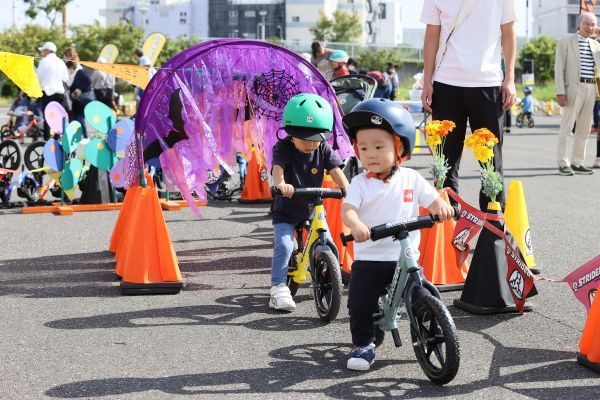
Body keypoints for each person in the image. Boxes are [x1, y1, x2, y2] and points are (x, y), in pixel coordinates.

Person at [341, 98, 454, 371]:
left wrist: (442, 207)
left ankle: (429, 329)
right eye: (364, 147)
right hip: (371, 258)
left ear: (400, 147)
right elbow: (348, 209)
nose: (371, 154)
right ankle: (363, 344)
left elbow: (433, 199)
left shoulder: (411, 178)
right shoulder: (359, 183)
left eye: (379, 147)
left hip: (405, 257)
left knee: (424, 293)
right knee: (360, 301)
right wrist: (356, 225)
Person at [420, 0, 516, 210]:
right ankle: (448, 225)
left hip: (488, 83)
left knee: (491, 163)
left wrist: (510, 78)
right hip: (446, 83)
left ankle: (493, 228)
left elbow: (508, 32)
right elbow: (431, 35)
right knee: (445, 162)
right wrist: (427, 80)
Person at [269, 93, 350, 311]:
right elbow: (277, 169)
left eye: (316, 139)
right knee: (285, 245)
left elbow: (335, 170)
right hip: (286, 209)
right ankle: (277, 288)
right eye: (304, 139)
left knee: (329, 242)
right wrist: (281, 184)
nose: (311, 144)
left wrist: (347, 189)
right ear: (290, 133)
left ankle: (326, 272)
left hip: (312, 207)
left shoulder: (323, 148)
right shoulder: (283, 147)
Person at [555, 12, 600, 175]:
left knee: (584, 128)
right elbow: (559, 68)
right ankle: (563, 162)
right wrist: (560, 91)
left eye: (593, 24)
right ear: (579, 24)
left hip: (591, 89)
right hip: (573, 88)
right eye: (587, 23)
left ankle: (577, 162)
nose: (590, 27)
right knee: (567, 127)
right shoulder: (566, 42)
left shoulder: (596, 45)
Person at [36, 41, 69, 141]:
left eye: (43, 51)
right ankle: (57, 138)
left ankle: (46, 139)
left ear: (47, 51)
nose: (42, 53)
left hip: (47, 92)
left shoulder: (44, 61)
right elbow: (66, 78)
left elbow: (38, 77)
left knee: (48, 116)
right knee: (57, 116)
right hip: (59, 93)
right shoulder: (61, 62)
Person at [66, 60, 95, 138]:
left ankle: (85, 136)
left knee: (79, 117)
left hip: (82, 99)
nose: (67, 71)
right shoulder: (75, 74)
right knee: (74, 117)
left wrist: (79, 89)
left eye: (68, 69)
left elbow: (88, 81)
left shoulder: (80, 72)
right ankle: (78, 135)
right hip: (78, 100)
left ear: (71, 68)